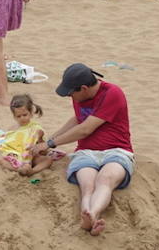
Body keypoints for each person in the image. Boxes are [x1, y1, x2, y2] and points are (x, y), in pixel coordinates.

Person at [40, 64, 135, 237]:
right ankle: (87, 216)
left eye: (71, 93)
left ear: (83, 88)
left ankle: (93, 213)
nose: (70, 96)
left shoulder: (113, 93)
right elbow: (78, 119)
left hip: (116, 150)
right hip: (86, 152)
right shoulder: (80, 97)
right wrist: (49, 140)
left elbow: (85, 129)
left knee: (105, 180)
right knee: (87, 184)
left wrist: (51, 144)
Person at [0, 95, 59, 177]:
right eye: (18, 116)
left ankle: (32, 171)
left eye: (25, 115)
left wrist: (40, 139)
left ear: (31, 113)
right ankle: (18, 169)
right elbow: (7, 144)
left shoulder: (36, 128)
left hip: (31, 156)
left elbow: (43, 150)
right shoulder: (12, 128)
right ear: (14, 116)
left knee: (48, 160)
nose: (22, 118)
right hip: (15, 155)